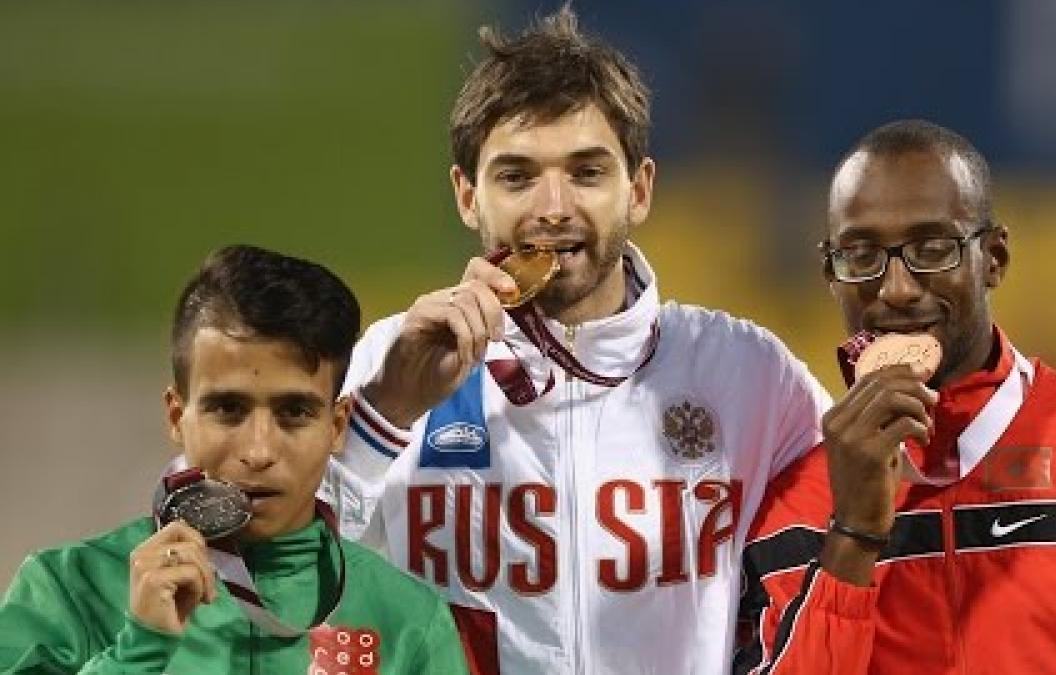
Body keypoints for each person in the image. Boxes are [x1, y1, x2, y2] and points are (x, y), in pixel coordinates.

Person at [321, 5, 831, 674]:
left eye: (587, 172)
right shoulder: (389, 361)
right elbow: (269, 592)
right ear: (467, 195)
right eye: (517, 175)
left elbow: (868, 551)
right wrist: (381, 417)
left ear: (639, 189)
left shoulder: (748, 372)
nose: (553, 207)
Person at [735, 119, 1056, 674]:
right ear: (829, 273)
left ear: (994, 259)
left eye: (933, 248)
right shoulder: (787, 513)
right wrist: (852, 536)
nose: (898, 289)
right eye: (861, 255)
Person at [0, 245, 467, 674]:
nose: (258, 452)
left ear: (338, 425)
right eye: (228, 409)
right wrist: (140, 648)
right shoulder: (66, 589)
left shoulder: (407, 619)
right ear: (177, 416)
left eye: (294, 412)